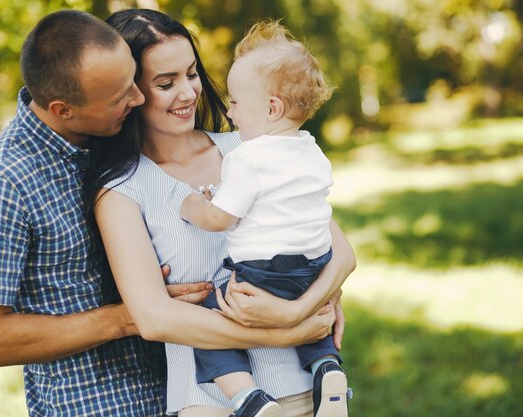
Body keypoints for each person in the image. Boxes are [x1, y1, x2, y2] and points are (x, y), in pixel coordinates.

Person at [89, 8, 356, 417]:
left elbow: (340, 253)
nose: (188, 93)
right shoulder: (123, 189)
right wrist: (286, 332)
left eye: (191, 74)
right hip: (210, 403)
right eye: (166, 82)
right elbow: (155, 319)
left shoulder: (253, 148)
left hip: (303, 391)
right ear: (132, 92)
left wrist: (293, 312)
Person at [0, 9, 215, 416]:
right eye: (120, 96)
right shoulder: (2, 183)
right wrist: (132, 317)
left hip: (189, 390)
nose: (139, 98)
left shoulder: (117, 138)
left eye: (134, 80)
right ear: (63, 110)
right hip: (97, 404)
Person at [179, 20, 350, 417]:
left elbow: (221, 218)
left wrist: (193, 206)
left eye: (236, 103)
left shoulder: (246, 157)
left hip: (262, 273)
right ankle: (327, 367)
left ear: (272, 108)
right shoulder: (310, 150)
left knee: (206, 315)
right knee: (314, 310)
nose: (230, 111)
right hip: (314, 267)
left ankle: (248, 398)